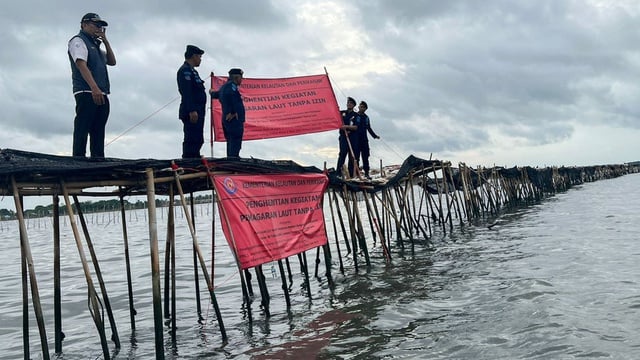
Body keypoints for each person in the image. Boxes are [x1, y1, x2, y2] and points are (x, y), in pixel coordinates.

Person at [68, 13, 116, 158]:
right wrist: (94, 87)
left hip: (102, 92)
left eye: (100, 26)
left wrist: (106, 42)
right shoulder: (79, 41)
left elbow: (112, 61)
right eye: (96, 25)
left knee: (98, 129)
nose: (98, 28)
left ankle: (98, 158)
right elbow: (81, 64)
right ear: (84, 24)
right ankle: (78, 159)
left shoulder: (96, 46)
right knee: (83, 128)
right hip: (86, 91)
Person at [177, 45, 207, 158]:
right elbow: (187, 92)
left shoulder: (192, 71)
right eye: (199, 56)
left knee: (198, 138)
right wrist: (192, 110)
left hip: (199, 110)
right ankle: (189, 161)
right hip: (192, 111)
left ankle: (194, 157)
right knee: (191, 138)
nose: (200, 59)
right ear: (194, 56)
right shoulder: (185, 71)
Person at [215, 68, 245, 157]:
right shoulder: (231, 87)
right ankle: (233, 161)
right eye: (241, 77)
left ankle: (232, 159)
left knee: (232, 141)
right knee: (235, 141)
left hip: (229, 118)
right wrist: (232, 111)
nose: (241, 80)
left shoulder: (226, 86)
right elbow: (229, 97)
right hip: (233, 119)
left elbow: (217, 95)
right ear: (236, 77)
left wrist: (212, 92)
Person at [355, 101, 380, 179]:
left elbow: (369, 128)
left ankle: (366, 173)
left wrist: (375, 136)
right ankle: (356, 173)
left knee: (365, 157)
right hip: (356, 140)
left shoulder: (366, 117)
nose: (361, 108)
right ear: (358, 107)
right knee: (356, 157)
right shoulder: (355, 115)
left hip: (364, 140)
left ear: (365, 109)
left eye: (363, 107)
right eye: (360, 106)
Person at [336, 97, 359, 178]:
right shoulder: (341, 113)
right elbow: (336, 120)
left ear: (353, 105)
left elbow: (356, 127)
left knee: (351, 156)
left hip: (352, 137)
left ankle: (351, 174)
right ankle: (338, 173)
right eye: (348, 102)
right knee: (342, 154)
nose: (349, 104)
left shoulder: (356, 115)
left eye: (351, 103)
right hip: (343, 137)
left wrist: (346, 127)